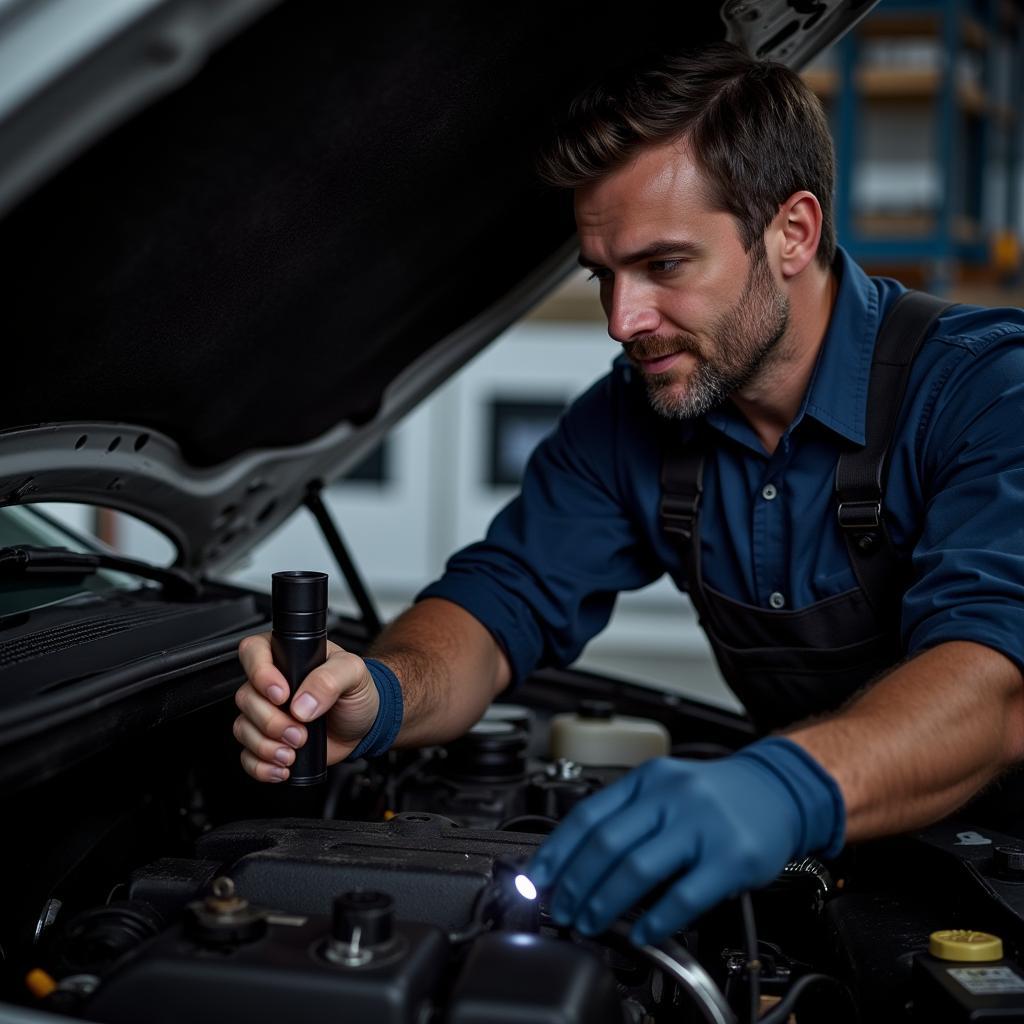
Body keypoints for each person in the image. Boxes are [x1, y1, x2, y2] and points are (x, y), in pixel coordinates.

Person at [232, 44, 1024, 946]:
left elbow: (994, 687)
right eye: (603, 274)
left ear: (792, 233)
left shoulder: (987, 392)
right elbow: (495, 609)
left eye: (665, 265)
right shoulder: (629, 422)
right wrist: (379, 693)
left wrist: (778, 787)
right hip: (853, 868)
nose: (622, 320)